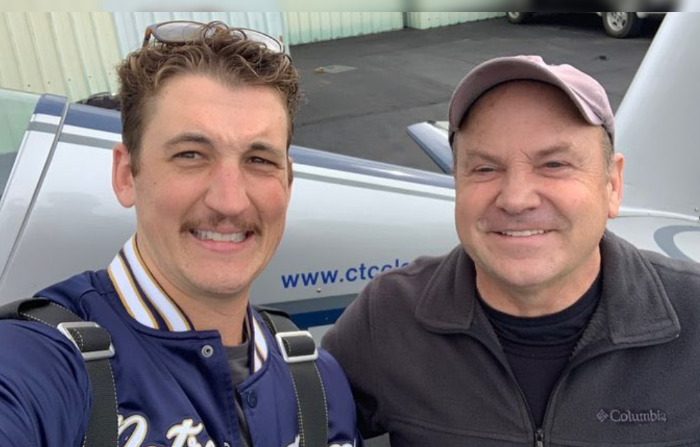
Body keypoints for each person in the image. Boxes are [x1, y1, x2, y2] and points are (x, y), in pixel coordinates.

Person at [0, 21, 358, 447]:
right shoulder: (43, 365)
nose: (230, 202)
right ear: (126, 174)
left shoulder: (319, 381)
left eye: (259, 160)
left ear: (288, 182)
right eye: (191, 155)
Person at [323, 55, 700, 446]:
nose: (516, 199)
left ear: (613, 185)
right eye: (485, 169)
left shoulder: (694, 316)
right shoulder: (388, 317)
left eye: (554, 164)